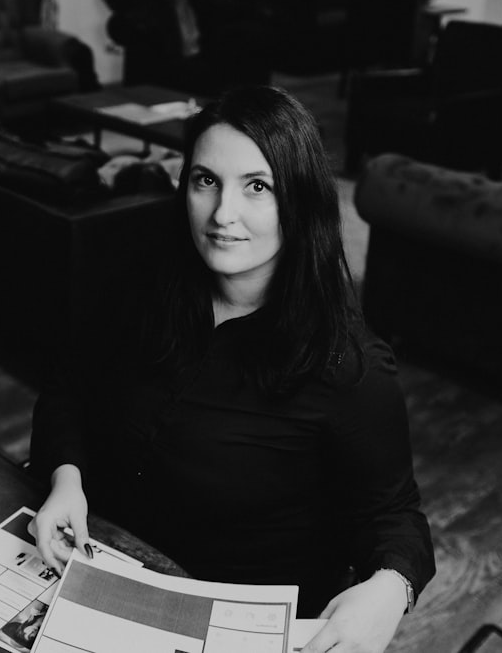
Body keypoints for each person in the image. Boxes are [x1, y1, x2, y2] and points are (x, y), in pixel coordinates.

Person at [28, 85, 436, 653]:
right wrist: (66, 477)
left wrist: (391, 588)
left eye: (258, 187)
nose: (223, 214)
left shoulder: (350, 367)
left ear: (301, 200)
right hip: (102, 577)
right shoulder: (143, 284)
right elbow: (70, 387)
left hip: (236, 629)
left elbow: (396, 518)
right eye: (205, 181)